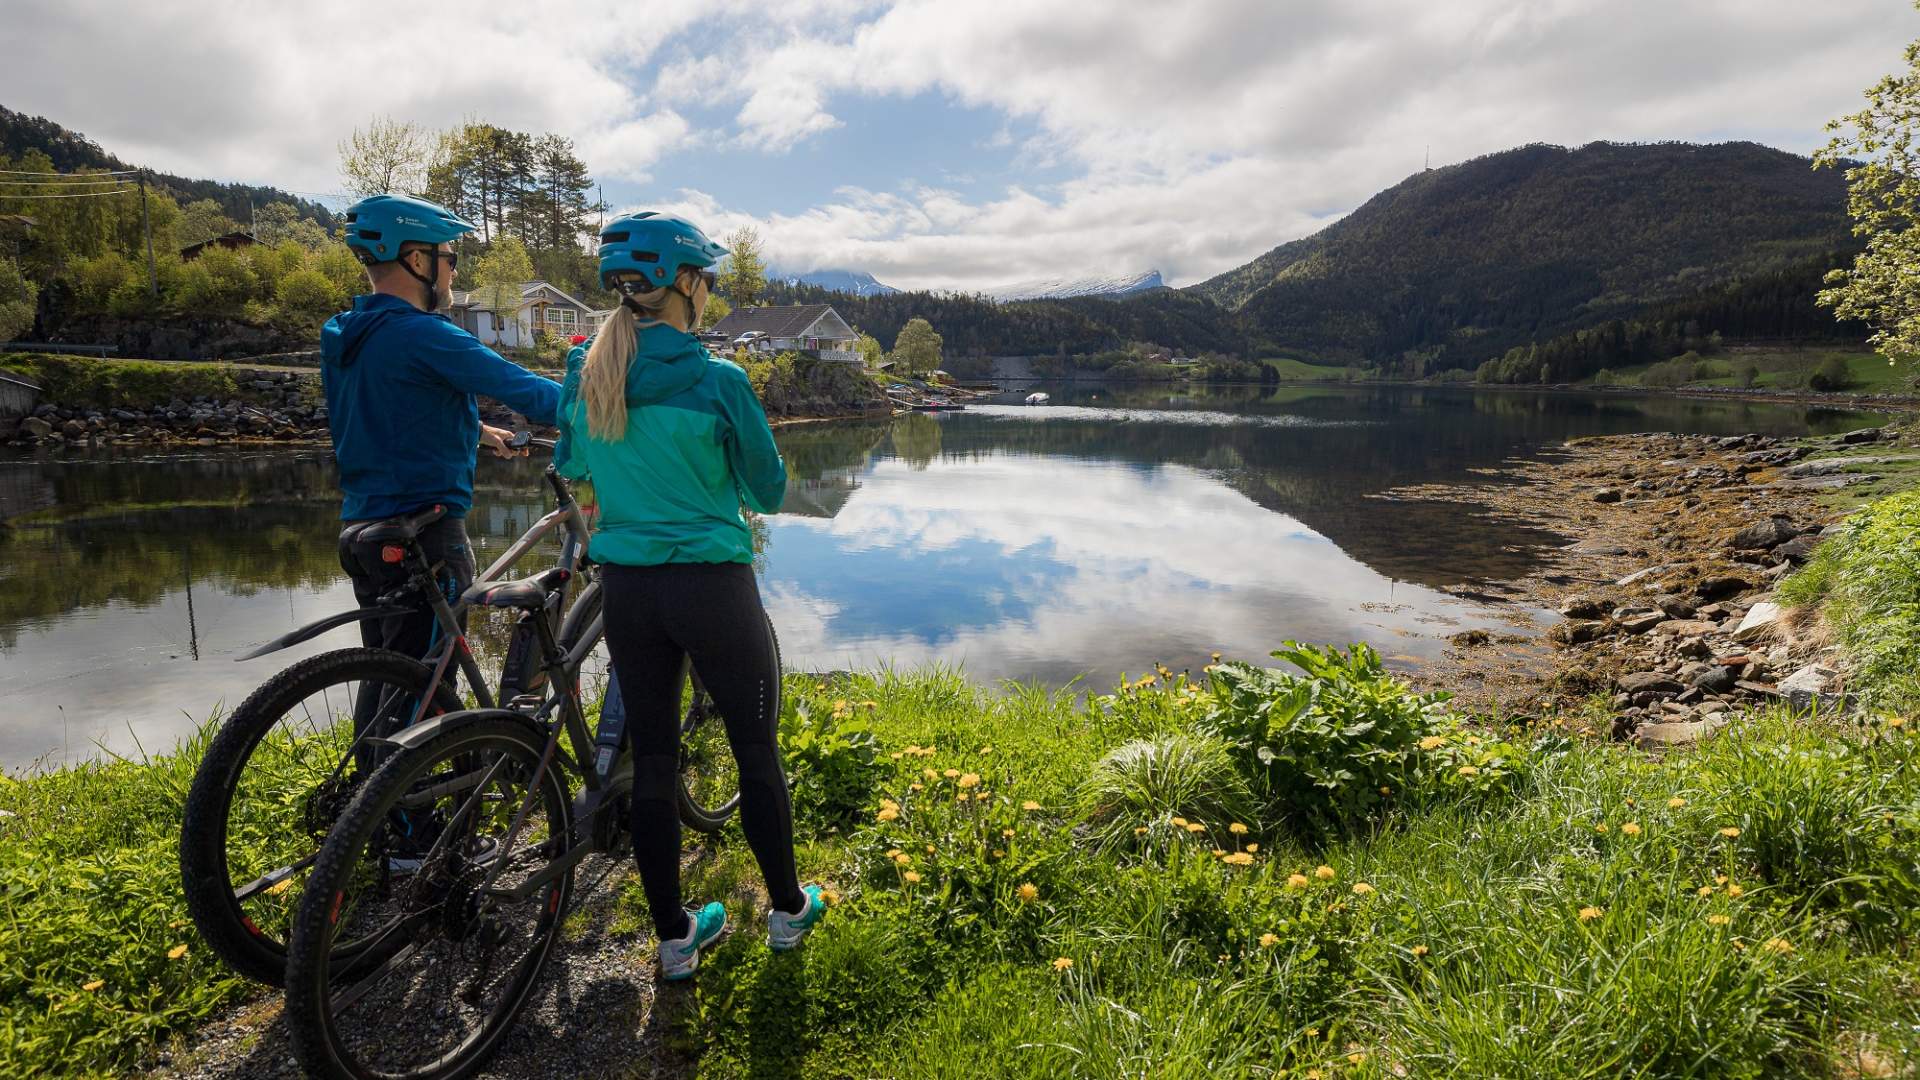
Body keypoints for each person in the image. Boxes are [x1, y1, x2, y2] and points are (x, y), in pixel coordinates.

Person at [555, 212, 821, 980]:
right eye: (706, 280)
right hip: (713, 587)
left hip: (629, 593)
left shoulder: (587, 371)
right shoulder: (719, 380)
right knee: (753, 748)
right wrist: (721, 482)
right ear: (687, 285)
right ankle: (787, 910)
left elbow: (573, 464)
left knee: (657, 760)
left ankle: (675, 940)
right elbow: (769, 489)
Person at [323, 194, 562, 734]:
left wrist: (476, 430)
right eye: (449, 256)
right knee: (429, 686)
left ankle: (364, 800)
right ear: (417, 261)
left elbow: (386, 403)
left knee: (393, 676)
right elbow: (529, 392)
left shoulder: (344, 333)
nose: (455, 269)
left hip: (363, 530)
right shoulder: (428, 335)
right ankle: (407, 816)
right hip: (424, 534)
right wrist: (611, 413)